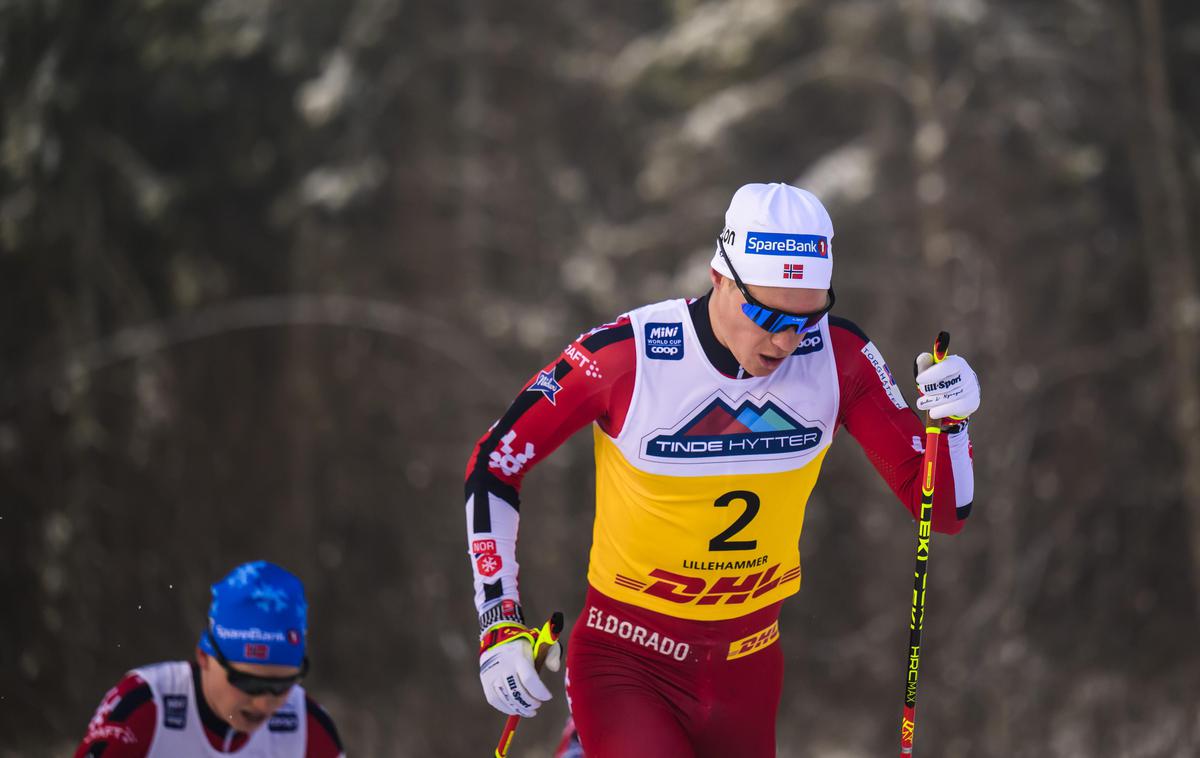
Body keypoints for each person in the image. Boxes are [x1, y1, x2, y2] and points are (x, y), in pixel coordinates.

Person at [465, 182, 981, 757]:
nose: (786, 340)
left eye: (808, 319)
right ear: (720, 277)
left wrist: (952, 423)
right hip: (626, 659)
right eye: (766, 314)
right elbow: (495, 461)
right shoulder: (627, 357)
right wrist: (500, 621)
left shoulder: (839, 359)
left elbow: (943, 509)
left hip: (749, 666)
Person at [74, 560, 345, 758]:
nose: (264, 702)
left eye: (282, 686)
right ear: (204, 656)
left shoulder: (306, 726)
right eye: (248, 683)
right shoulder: (146, 706)